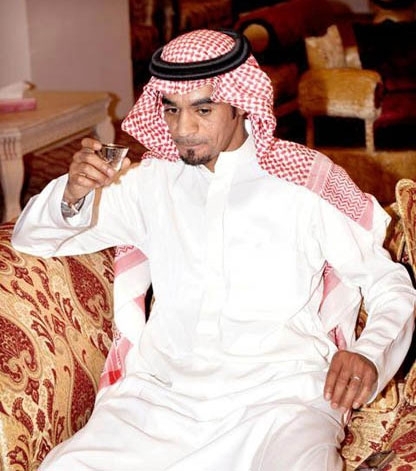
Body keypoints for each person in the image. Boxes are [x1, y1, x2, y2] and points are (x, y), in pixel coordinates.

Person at [12, 29, 415, 471]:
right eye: (171, 109)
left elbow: (388, 283)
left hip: (282, 401)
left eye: (203, 110)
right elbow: (34, 238)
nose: (183, 129)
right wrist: (72, 192)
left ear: (240, 103)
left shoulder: (304, 184)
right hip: (158, 400)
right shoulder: (150, 182)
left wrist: (369, 352)